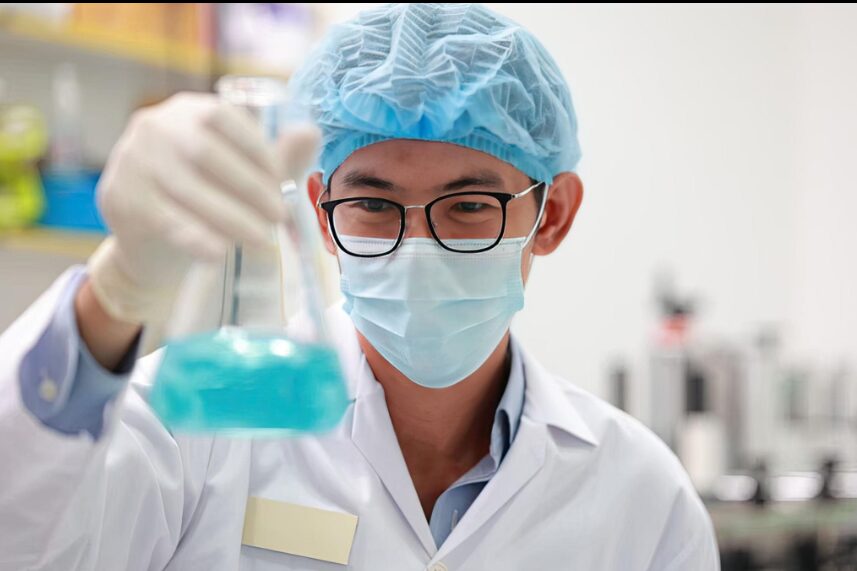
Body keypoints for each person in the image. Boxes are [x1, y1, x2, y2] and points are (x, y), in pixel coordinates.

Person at [0, 4, 718, 570]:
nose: (418, 247)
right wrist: (117, 289)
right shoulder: (194, 426)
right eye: (373, 203)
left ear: (550, 215)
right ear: (319, 212)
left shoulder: (641, 494)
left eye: (469, 206)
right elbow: (22, 537)